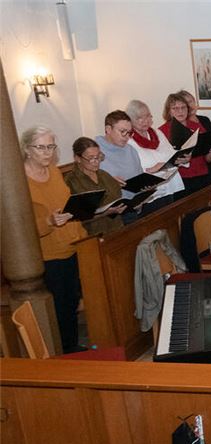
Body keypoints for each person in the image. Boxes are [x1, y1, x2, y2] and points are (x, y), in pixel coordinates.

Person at [24, 126, 88, 353]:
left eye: (51, 146)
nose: (47, 152)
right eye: (41, 147)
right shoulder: (20, 180)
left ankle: (71, 346)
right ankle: (64, 351)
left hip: (72, 243)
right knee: (59, 305)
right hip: (48, 252)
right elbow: (22, 224)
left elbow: (65, 201)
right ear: (27, 149)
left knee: (71, 302)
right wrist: (49, 222)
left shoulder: (53, 171)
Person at [97, 110, 173, 221]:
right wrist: (109, 181)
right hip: (110, 214)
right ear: (108, 129)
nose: (126, 137)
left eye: (129, 132)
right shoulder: (94, 151)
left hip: (134, 206)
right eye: (122, 131)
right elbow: (88, 182)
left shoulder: (131, 150)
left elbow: (139, 177)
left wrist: (147, 187)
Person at [124, 99, 187, 203]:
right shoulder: (128, 141)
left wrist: (182, 159)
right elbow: (131, 171)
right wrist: (153, 169)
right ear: (130, 120)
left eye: (148, 116)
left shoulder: (157, 133)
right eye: (140, 118)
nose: (146, 120)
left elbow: (171, 154)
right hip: (151, 192)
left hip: (170, 186)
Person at [65, 137, 129, 236]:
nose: (96, 161)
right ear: (77, 158)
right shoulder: (71, 181)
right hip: (93, 234)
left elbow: (117, 197)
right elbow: (74, 217)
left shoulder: (104, 175)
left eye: (99, 157)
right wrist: (105, 213)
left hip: (117, 227)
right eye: (91, 158)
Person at [158, 92, 211, 194]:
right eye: (175, 108)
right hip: (179, 179)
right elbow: (162, 161)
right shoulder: (162, 131)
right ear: (169, 111)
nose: (180, 111)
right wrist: (179, 161)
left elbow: (206, 157)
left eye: (183, 107)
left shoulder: (196, 126)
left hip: (202, 175)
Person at [178, 89, 211, 183]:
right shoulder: (182, 126)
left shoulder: (205, 120)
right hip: (196, 174)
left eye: (191, 101)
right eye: (185, 103)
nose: (190, 106)